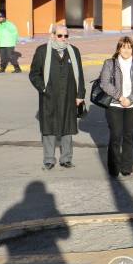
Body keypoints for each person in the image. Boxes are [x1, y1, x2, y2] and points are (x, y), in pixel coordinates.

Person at [28, 25, 85, 170]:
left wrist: (80, 95)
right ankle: (49, 159)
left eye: (66, 36)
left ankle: (66, 158)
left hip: (69, 95)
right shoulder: (42, 51)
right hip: (49, 96)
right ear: (52, 35)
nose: (63, 39)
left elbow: (80, 74)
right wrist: (43, 88)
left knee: (68, 127)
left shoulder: (74, 51)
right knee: (49, 128)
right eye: (60, 35)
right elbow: (34, 74)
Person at [98, 37, 133, 177]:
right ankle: (114, 168)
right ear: (119, 48)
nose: (126, 50)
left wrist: (130, 99)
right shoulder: (109, 63)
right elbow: (104, 83)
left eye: (129, 47)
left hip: (132, 105)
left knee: (129, 136)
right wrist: (120, 97)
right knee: (116, 136)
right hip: (114, 105)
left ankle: (126, 168)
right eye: (123, 47)